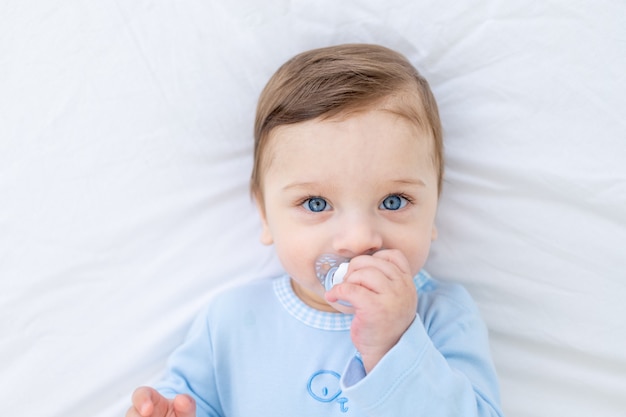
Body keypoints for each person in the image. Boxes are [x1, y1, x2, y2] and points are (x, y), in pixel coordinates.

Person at [126, 43, 503, 417]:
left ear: (433, 210)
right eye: (316, 204)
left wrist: (396, 345)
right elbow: (189, 403)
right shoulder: (231, 321)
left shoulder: (442, 315)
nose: (358, 240)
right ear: (265, 215)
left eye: (393, 202)